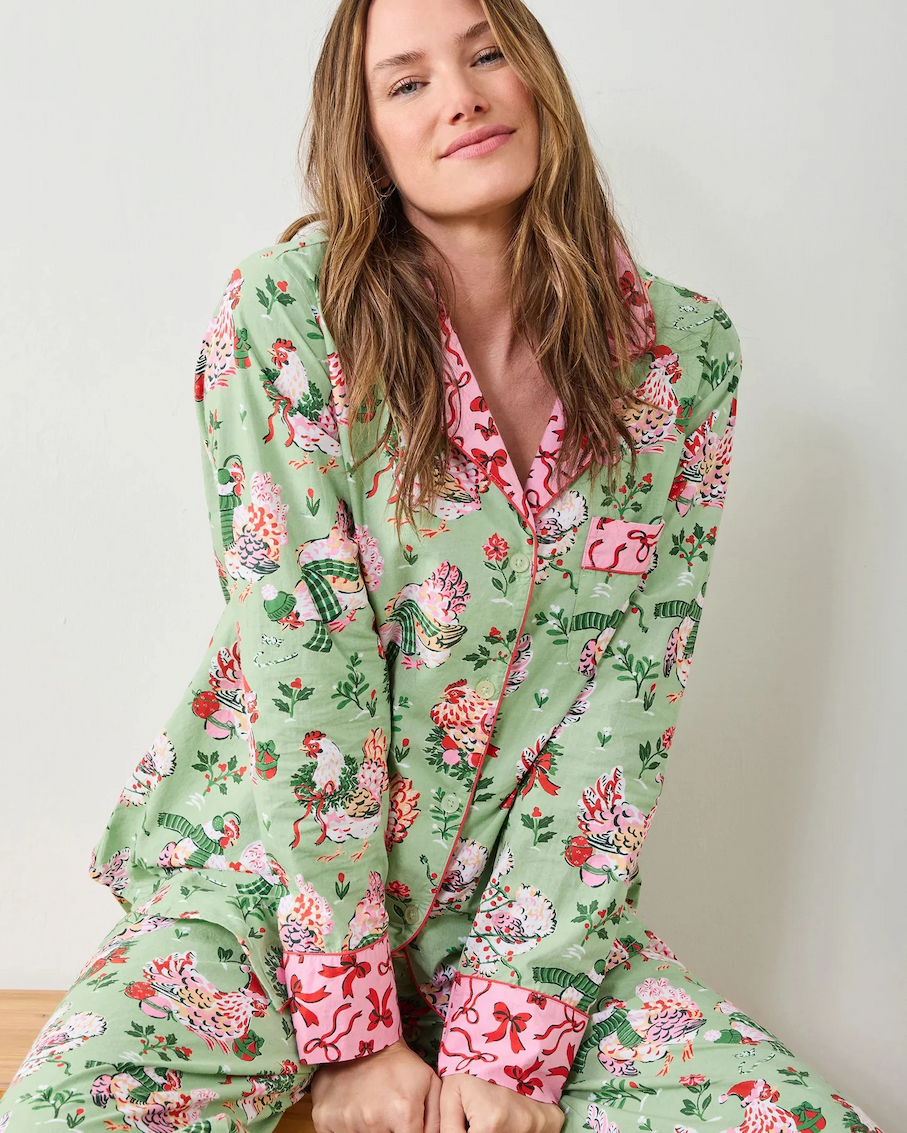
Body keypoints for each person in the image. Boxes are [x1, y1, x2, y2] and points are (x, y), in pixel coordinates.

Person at [3, 1, 886, 1132]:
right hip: (270, 895)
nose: (460, 95)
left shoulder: (686, 356)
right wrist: (355, 1030)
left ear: (537, 82)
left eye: (485, 54)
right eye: (406, 82)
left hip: (530, 924)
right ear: (364, 137)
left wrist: (511, 1030)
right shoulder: (291, 315)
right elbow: (302, 673)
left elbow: (626, 703)